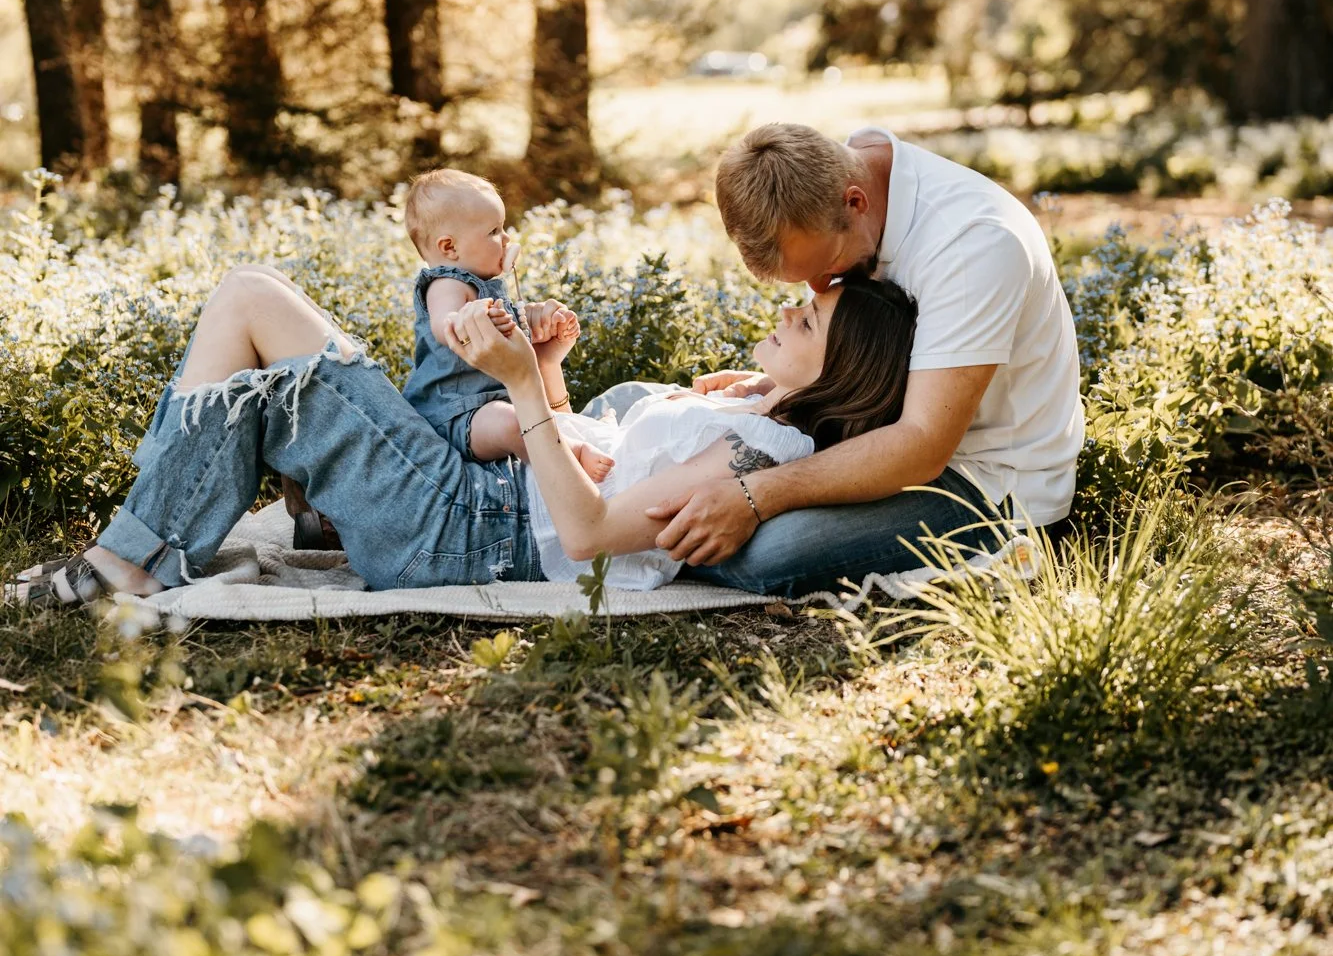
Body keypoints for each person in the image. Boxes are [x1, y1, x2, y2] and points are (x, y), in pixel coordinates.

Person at [9, 260, 916, 608]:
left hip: (468, 537)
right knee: (257, 344)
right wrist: (549, 370)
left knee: (250, 304)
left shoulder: (769, 454)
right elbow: (578, 463)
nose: (788, 312)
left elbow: (592, 537)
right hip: (476, 507)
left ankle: (131, 558)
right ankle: (147, 545)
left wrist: (520, 385)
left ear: (840, 373)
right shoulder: (751, 411)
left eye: (807, 322)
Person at [642, 122, 1084, 599]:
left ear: (855, 203)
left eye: (825, 268)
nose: (817, 290)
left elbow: (923, 444)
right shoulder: (833, 174)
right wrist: (784, 390)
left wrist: (754, 497)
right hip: (890, 436)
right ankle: (617, 520)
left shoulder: (972, 245)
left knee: (775, 548)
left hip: (988, 486)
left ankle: (621, 543)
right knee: (661, 412)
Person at [400, 166, 613, 484]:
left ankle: (567, 441)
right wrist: (464, 322)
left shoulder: (487, 285)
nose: (506, 239)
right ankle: (572, 454)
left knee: (522, 419)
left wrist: (536, 330)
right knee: (512, 424)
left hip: (491, 405)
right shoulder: (446, 283)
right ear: (450, 248)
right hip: (455, 414)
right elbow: (442, 323)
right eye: (494, 231)